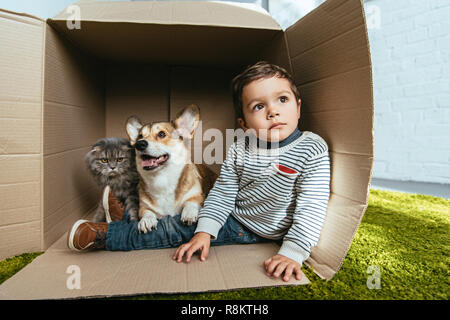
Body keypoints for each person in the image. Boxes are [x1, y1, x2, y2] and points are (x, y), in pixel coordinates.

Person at [67, 61, 331, 282]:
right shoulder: (242, 146)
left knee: (172, 231)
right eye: (258, 107)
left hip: (259, 228)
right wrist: (205, 230)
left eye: (282, 100)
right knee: (188, 224)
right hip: (232, 213)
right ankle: (127, 216)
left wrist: (293, 251)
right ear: (244, 123)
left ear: (298, 106)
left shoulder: (312, 148)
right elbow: (224, 192)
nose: (273, 111)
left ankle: (107, 235)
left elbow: (312, 206)